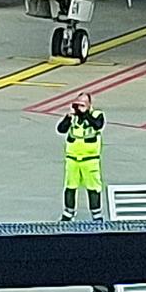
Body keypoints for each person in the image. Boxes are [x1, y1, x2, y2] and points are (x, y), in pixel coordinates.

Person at [58, 91, 105, 221]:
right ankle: (68, 213)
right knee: (70, 186)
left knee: (93, 188)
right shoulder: (73, 117)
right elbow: (61, 129)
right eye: (78, 104)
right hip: (72, 159)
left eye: (83, 104)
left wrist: (85, 114)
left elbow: (98, 125)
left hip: (90, 160)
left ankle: (97, 215)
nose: (80, 107)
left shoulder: (97, 115)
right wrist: (68, 118)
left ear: (90, 104)